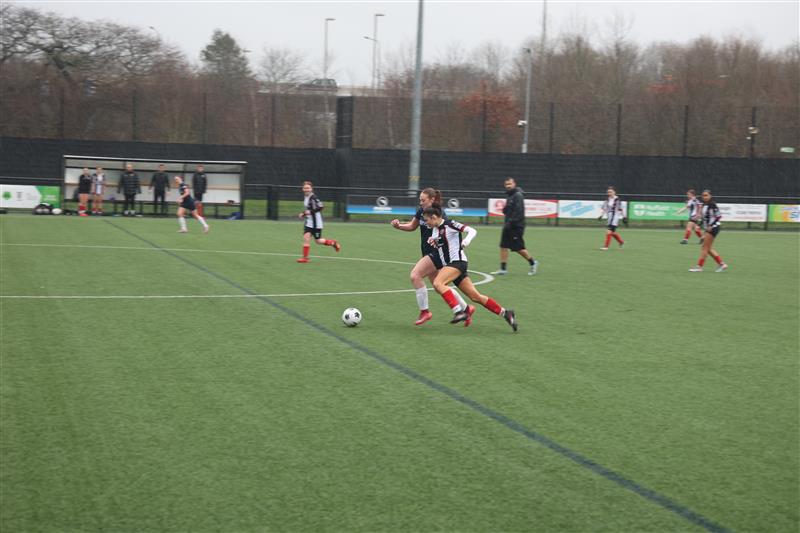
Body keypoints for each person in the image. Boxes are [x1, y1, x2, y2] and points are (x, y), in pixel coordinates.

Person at [422, 205, 518, 331]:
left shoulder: (450, 224)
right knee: (475, 297)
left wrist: (466, 242)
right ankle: (506, 313)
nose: (426, 223)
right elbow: (440, 242)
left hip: (457, 262)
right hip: (452, 265)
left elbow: (472, 231)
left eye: (427, 220)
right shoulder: (435, 229)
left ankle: (458, 312)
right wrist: (433, 241)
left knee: (438, 283)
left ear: (434, 217)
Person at [391, 187, 468, 326]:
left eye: (423, 200)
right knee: (439, 286)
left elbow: (447, 236)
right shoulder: (421, 211)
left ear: (432, 199)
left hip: (436, 253)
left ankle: (425, 312)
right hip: (427, 252)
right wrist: (399, 226)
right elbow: (412, 226)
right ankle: (466, 308)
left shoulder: (439, 214)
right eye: (420, 200)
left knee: (415, 275)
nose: (420, 203)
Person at [492, 177, 538, 276]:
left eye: (510, 184)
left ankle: (533, 263)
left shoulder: (518, 195)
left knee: (518, 248)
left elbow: (518, 212)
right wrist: (505, 210)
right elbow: (508, 210)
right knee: (503, 246)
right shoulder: (510, 195)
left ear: (514, 184)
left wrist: (511, 222)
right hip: (508, 225)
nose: (508, 186)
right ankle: (503, 269)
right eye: (506, 184)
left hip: (516, 226)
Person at [296, 181, 340, 263]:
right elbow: (309, 209)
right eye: (305, 188)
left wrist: (308, 213)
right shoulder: (306, 197)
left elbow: (321, 207)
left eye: (308, 188)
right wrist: (304, 213)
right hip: (309, 222)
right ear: (302, 189)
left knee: (318, 241)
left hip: (316, 224)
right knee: (306, 238)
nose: (306, 189)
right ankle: (305, 258)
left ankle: (333, 243)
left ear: (311, 189)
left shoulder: (313, 197)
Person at [690, 189, 728, 272]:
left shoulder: (712, 204)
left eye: (706, 195)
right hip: (708, 228)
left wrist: (711, 225)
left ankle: (699, 267)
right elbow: (704, 218)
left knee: (704, 247)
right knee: (708, 248)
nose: (704, 197)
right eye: (703, 195)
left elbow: (718, 216)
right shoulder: (704, 204)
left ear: (710, 196)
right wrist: (699, 225)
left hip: (713, 228)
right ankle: (722, 264)